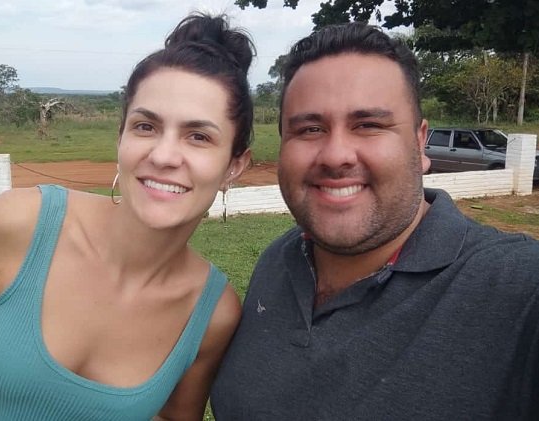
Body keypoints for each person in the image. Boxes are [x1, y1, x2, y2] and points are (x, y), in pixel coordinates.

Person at [0, 13, 254, 421]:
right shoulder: (20, 224)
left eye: (198, 136)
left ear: (234, 166)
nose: (163, 156)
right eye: (145, 126)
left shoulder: (213, 313)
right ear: (121, 136)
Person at [211, 22, 539, 420]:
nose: (336, 155)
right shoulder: (278, 261)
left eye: (368, 125)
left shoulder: (516, 289)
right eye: (310, 129)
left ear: (419, 142)